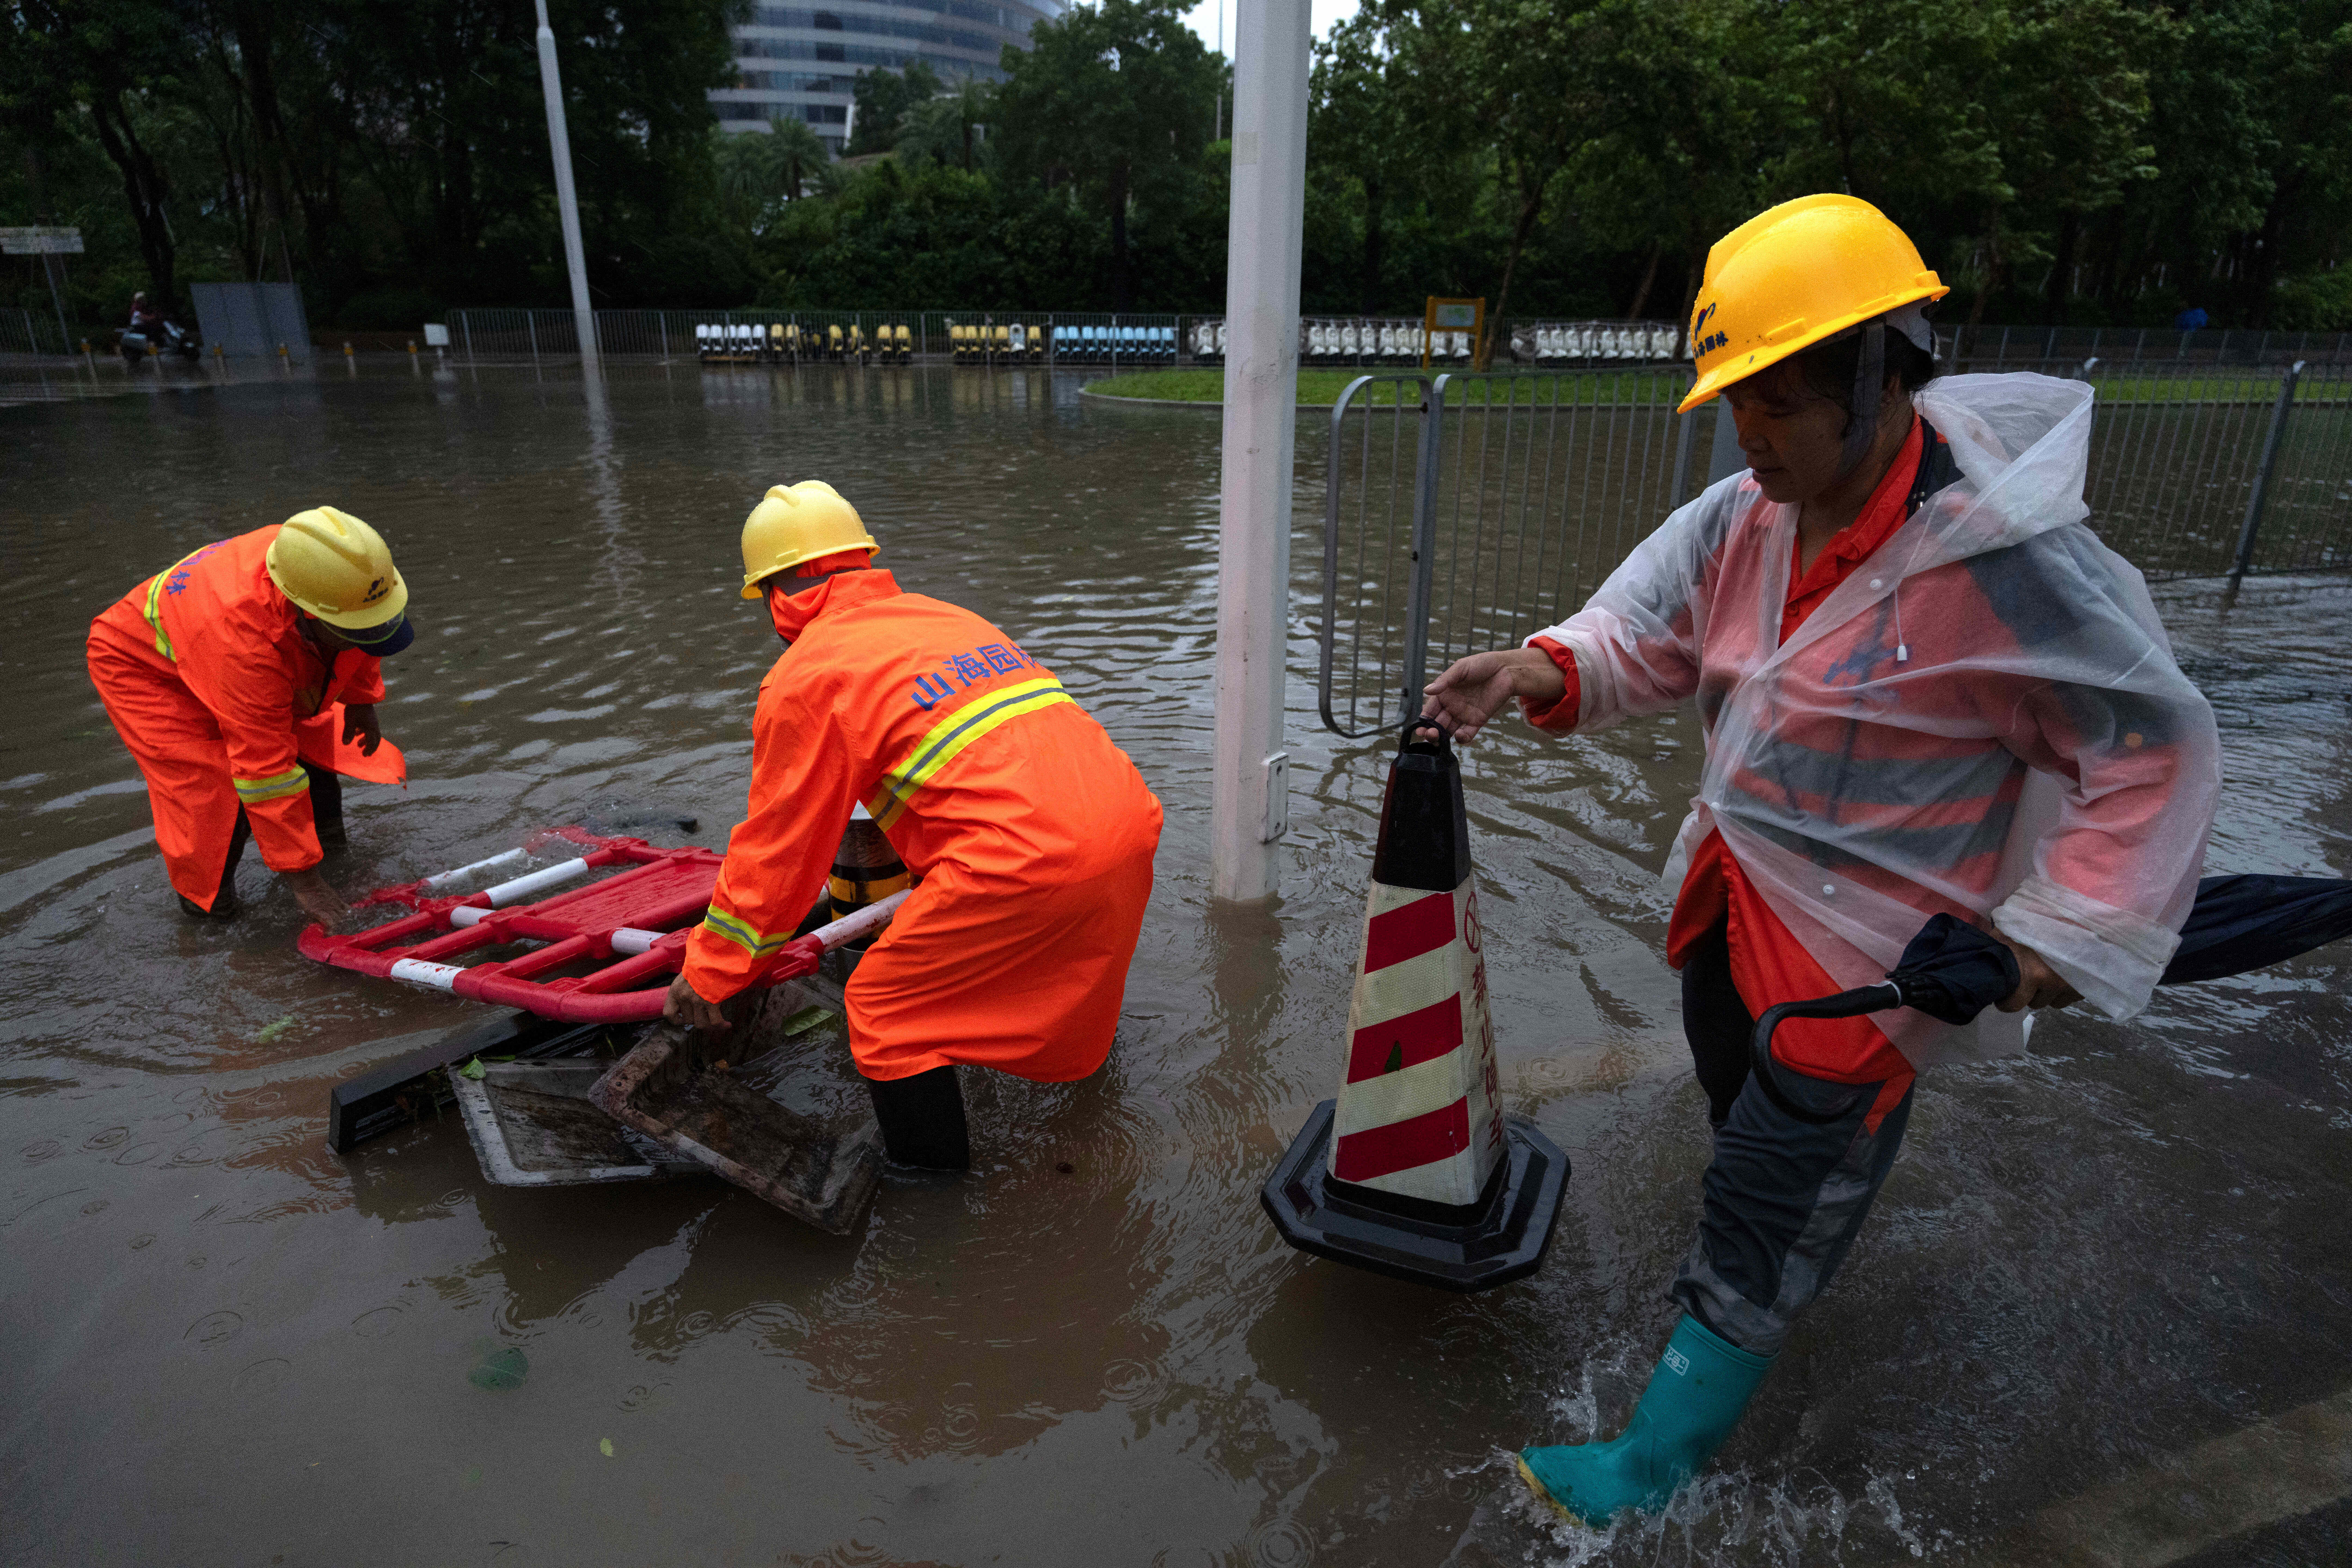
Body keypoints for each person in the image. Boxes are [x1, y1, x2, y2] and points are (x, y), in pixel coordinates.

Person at [1419, 194, 2222, 1524]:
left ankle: (1643, 1474)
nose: (1750, 431)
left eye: (1780, 400)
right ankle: (1766, 1279)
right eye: (1736, 399)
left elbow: (2154, 748)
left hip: (1866, 970)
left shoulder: (2006, 561)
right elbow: (1648, 636)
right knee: (1750, 1143)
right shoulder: (1745, 514)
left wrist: (2053, 943)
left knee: (1761, 1209)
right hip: (1728, 910)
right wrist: (1534, 667)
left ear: (1878, 371)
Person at [664, 481, 1164, 1170]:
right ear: (865, 560)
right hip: (1128, 824)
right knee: (1058, 961)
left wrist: (713, 970)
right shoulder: (948, 619)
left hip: (1025, 860)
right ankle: (1088, 1102)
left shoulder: (808, 674)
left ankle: (932, 1207)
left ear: (778, 594)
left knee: (884, 1007)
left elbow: (779, 850)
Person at [86, 509, 415, 929]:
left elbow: (367, 630)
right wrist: (305, 884)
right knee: (209, 793)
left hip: (226, 642)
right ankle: (212, 919)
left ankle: (332, 858)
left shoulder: (337, 566)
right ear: (310, 614)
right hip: (145, 667)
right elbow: (265, 770)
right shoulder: (244, 645)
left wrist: (360, 699)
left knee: (309, 751)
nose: (372, 631)